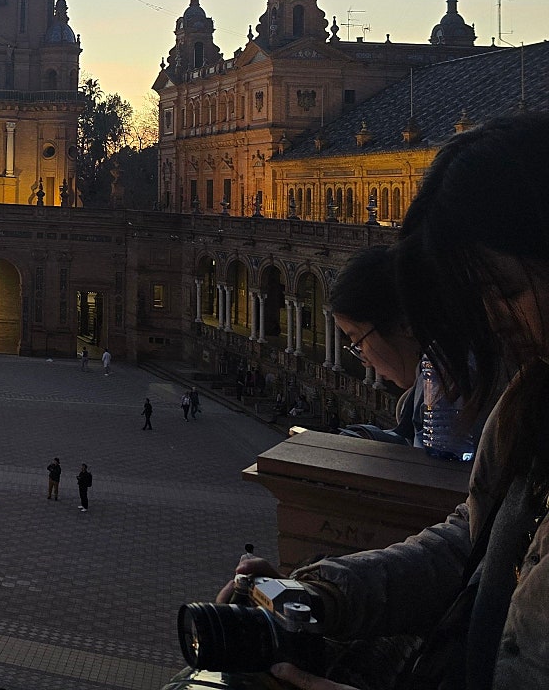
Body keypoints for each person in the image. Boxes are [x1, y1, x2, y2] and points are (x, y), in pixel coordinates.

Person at [214, 114, 549, 690]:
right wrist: (317, 595)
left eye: (507, 290)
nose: (492, 319)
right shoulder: (529, 404)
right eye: (476, 297)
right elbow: (475, 545)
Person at [329, 245, 424, 444]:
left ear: (404, 325)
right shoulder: (420, 396)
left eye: (358, 342)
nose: (365, 361)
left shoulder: (444, 401)